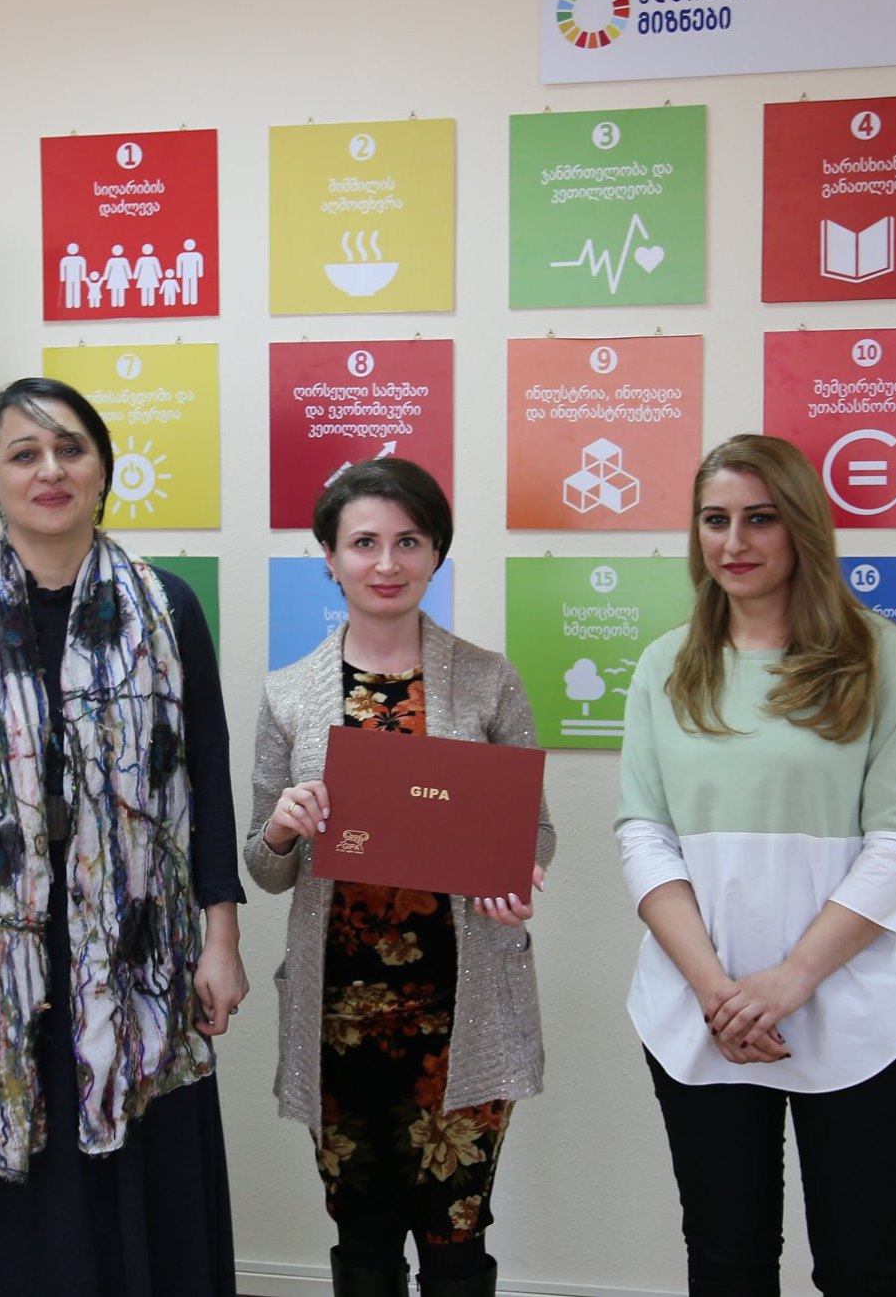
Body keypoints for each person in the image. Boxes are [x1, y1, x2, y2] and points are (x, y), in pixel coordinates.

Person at [0, 377, 248, 1296]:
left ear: (103, 472)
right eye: (24, 453)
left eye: (71, 448)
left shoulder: (168, 606)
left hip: (138, 954)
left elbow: (205, 781)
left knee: (135, 1192)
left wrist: (222, 939)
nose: (50, 469)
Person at [616, 434, 896, 1297]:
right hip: (703, 1012)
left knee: (865, 1267)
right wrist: (718, 991)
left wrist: (790, 979)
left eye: (760, 519)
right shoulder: (664, 665)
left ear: (802, 525)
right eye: (715, 519)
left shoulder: (881, 656)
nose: (734, 542)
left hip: (858, 1010)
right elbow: (644, 836)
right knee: (727, 1264)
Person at [246, 458, 557, 1297]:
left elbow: (535, 829)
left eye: (409, 541)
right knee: (363, 1234)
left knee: (457, 1234)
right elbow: (265, 868)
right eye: (364, 542)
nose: (386, 562)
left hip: (464, 1006)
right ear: (329, 555)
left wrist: (514, 879)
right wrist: (281, 826)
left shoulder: (489, 679)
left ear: (436, 553)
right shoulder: (288, 693)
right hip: (340, 1015)